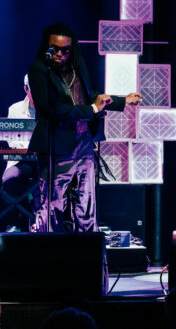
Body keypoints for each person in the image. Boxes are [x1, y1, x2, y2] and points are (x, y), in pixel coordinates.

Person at [28, 22, 141, 232]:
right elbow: (52, 109)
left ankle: (87, 249)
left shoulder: (77, 68)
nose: (60, 54)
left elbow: (89, 97)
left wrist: (122, 100)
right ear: (46, 47)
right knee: (52, 205)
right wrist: (92, 109)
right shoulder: (39, 71)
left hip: (84, 144)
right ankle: (47, 248)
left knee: (86, 205)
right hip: (57, 148)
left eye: (65, 50)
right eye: (55, 49)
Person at [1, 74, 38, 231]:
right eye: (34, 89)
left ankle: (42, 221)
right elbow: (11, 139)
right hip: (23, 160)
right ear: (26, 89)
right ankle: (18, 221)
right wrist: (29, 146)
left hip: (47, 160)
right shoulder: (15, 109)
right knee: (9, 180)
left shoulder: (51, 109)